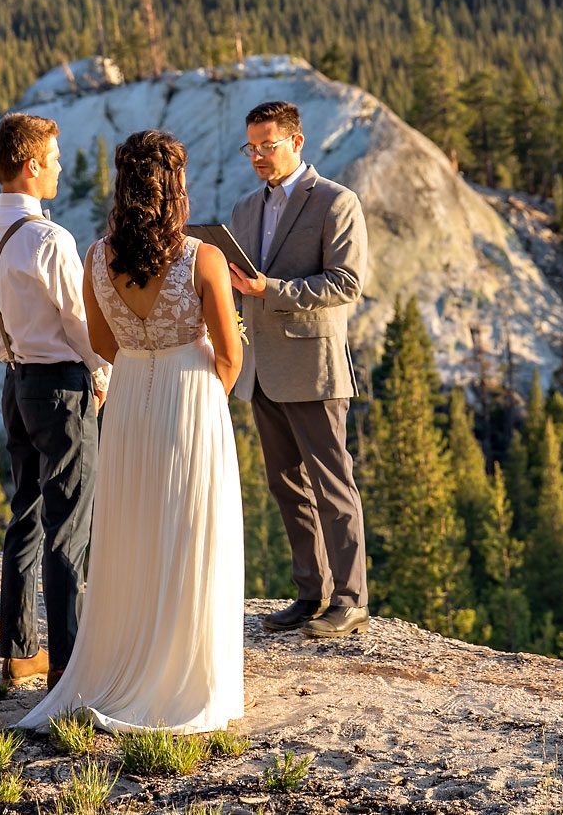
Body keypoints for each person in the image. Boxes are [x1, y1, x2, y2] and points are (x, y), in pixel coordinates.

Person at [19, 129, 246, 734]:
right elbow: (230, 353)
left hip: (127, 403)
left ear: (123, 188)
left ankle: (125, 658)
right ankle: (183, 671)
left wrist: (143, 356)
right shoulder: (205, 259)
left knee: (133, 527)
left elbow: (100, 343)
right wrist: (200, 397)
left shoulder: (97, 256)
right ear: (176, 188)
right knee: (189, 528)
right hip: (189, 397)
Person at [0, 113, 112, 688]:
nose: (57, 166)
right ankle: (68, 663)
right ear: (31, 166)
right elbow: (79, 321)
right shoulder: (50, 239)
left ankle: (19, 650)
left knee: (24, 514)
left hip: (16, 382)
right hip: (62, 386)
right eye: (52, 157)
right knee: (69, 523)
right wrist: (104, 371)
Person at [227, 100, 370, 638]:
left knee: (333, 486)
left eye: (268, 145)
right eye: (252, 147)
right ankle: (310, 593)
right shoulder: (243, 209)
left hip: (313, 367)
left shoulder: (336, 201)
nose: (259, 156)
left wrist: (273, 290)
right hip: (260, 369)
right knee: (286, 486)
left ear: (297, 142)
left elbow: (347, 283)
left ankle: (350, 598)